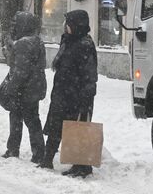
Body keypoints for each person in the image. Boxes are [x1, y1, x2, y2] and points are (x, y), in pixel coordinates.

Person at [38, 10, 98, 178]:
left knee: (77, 129)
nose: (65, 26)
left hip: (76, 95)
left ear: (77, 25)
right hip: (62, 93)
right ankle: (47, 159)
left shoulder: (85, 44)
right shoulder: (68, 40)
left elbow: (89, 75)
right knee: (56, 125)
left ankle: (82, 166)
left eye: (69, 23)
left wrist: (85, 98)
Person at [0, 11, 47, 162]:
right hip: (34, 87)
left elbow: (20, 70)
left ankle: (14, 149)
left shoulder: (23, 44)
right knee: (32, 120)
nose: (13, 27)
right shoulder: (36, 41)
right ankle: (38, 153)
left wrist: (11, 88)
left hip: (24, 89)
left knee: (18, 119)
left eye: (15, 24)